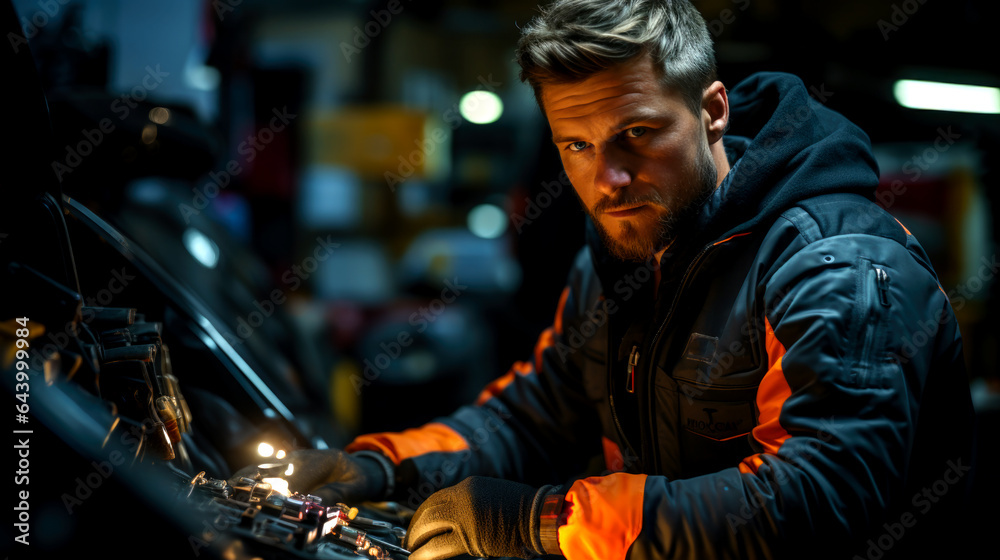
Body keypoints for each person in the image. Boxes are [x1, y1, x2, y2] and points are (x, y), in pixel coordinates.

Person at [238, 1, 976, 558]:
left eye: (638, 135)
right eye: (578, 145)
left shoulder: (830, 264)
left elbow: (821, 501)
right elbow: (531, 416)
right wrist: (376, 467)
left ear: (712, 111)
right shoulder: (621, 258)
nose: (608, 178)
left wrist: (546, 521)